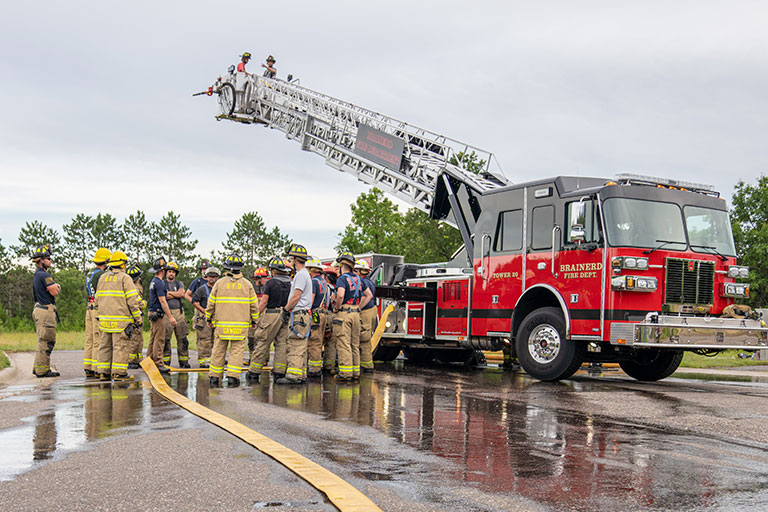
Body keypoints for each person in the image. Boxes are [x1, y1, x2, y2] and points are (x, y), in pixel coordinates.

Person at [205, 254, 259, 387]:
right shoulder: (247, 284)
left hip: (222, 325)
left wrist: (208, 317)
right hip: (240, 326)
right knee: (236, 352)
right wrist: (254, 320)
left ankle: (214, 377)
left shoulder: (219, 283)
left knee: (218, 350)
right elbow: (254, 305)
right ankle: (232, 378)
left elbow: (211, 303)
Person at [94, 251, 142, 381]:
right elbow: (132, 301)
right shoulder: (125, 278)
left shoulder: (102, 278)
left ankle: (103, 373)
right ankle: (119, 373)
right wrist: (138, 318)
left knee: (104, 347)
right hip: (121, 322)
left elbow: (97, 299)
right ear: (122, 264)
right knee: (120, 347)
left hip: (104, 321)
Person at [246, 257, 292, 382]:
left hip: (272, 314)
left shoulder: (270, 283)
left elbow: (264, 302)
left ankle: (254, 371)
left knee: (263, 341)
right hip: (286, 314)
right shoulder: (290, 283)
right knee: (282, 344)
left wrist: (254, 317)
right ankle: (279, 372)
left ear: (273, 270)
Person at [277, 244, 313, 385]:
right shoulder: (305, 274)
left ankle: (293, 375)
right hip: (304, 315)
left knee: (295, 345)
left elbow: (296, 297)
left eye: (291, 259)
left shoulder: (300, 275)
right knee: (302, 346)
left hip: (299, 314)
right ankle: (301, 374)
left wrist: (286, 310)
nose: (290, 262)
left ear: (295, 260)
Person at [333, 252, 365, 381]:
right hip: (356, 313)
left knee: (344, 343)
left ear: (342, 265)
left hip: (345, 313)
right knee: (354, 344)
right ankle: (355, 372)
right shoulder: (358, 279)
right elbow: (364, 296)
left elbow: (340, 295)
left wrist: (336, 307)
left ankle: (345, 373)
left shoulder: (342, 278)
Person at [31, 245, 61, 378]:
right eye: (48, 258)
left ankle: (37, 367)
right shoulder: (44, 275)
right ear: (41, 260)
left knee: (41, 339)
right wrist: (58, 286)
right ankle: (42, 370)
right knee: (47, 340)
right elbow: (54, 291)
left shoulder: (37, 274)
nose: (51, 261)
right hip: (45, 310)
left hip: (38, 309)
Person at [83, 248, 111, 378]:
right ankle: (96, 368)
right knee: (98, 340)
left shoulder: (90, 274)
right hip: (96, 309)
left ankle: (88, 367)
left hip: (89, 307)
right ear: (106, 261)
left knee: (89, 339)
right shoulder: (101, 275)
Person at [147, 257, 174, 374]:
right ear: (163, 271)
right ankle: (158, 362)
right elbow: (163, 301)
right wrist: (171, 317)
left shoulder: (153, 282)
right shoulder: (159, 283)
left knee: (153, 338)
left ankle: (149, 360)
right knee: (160, 338)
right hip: (158, 314)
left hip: (152, 312)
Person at [162, 262, 190, 368]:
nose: (171, 274)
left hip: (179, 313)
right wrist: (175, 294)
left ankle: (184, 362)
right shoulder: (162, 283)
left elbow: (182, 294)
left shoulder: (179, 283)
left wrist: (169, 294)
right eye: (169, 271)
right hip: (166, 313)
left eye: (173, 272)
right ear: (166, 273)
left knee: (182, 339)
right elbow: (163, 296)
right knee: (165, 339)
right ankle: (165, 362)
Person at [192, 266, 219, 368]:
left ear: (217, 277)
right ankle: (204, 360)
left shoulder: (219, 289)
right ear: (206, 277)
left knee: (216, 339)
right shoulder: (201, 289)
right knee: (204, 339)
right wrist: (204, 311)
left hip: (216, 317)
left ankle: (214, 359)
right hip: (204, 317)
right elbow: (194, 301)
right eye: (210, 276)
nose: (212, 278)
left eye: (214, 276)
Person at [306, 259, 329, 378]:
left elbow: (311, 299)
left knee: (314, 341)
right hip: (324, 313)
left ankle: (314, 369)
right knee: (319, 341)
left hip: (315, 313)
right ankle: (316, 366)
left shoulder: (313, 282)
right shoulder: (324, 282)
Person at [355, 260, 377, 372]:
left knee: (362, 338)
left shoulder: (363, 282)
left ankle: (365, 365)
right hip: (372, 310)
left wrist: (358, 308)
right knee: (366, 339)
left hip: (366, 311)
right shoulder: (369, 281)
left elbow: (365, 296)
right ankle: (367, 364)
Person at [245, 266, 270, 364]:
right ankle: (252, 358)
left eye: (259, 278)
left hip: (264, 315)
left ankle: (264, 359)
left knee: (263, 338)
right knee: (251, 338)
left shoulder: (269, 287)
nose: (257, 281)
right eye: (256, 279)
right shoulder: (251, 288)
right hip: (252, 315)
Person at [126, 264, 147, 369]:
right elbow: (137, 303)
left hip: (139, 314)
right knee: (134, 339)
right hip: (135, 315)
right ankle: (130, 361)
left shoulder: (136, 285)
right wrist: (144, 304)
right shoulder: (133, 288)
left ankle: (138, 359)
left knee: (139, 338)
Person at [322, 265, 339, 374]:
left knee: (318, 341)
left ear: (327, 277)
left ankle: (314, 366)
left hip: (326, 314)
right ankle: (329, 366)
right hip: (336, 316)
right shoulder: (337, 288)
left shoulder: (325, 287)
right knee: (332, 342)